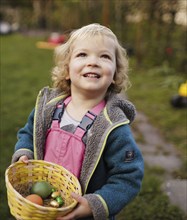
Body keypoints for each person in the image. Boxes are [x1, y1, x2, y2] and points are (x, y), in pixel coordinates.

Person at [11, 23, 144, 220]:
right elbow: (29, 133)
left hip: (83, 214)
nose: (93, 62)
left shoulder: (112, 126)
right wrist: (24, 151)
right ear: (67, 69)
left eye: (105, 56)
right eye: (83, 55)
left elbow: (128, 176)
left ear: (115, 75)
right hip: (43, 206)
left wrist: (95, 204)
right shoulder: (48, 108)